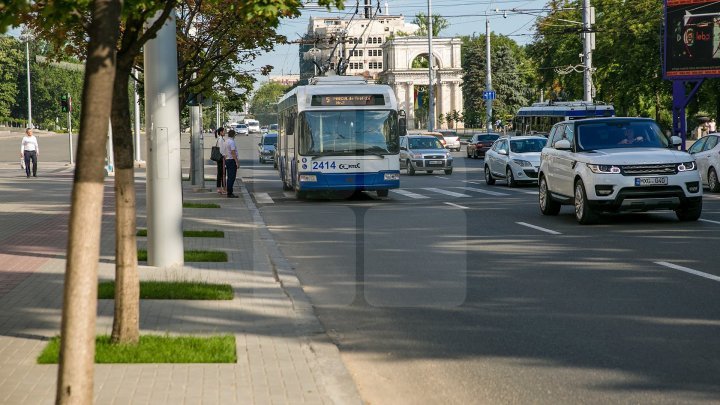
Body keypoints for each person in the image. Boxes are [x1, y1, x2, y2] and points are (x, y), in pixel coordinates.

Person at [225, 130, 240, 198]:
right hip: (231, 160)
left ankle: (229, 191)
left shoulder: (226, 141)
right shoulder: (232, 142)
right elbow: (233, 152)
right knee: (232, 177)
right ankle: (230, 192)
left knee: (229, 177)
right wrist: (237, 162)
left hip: (227, 160)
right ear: (233, 135)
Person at [215, 127, 227, 194]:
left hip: (218, 158)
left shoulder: (218, 139)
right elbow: (222, 150)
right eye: (224, 131)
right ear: (220, 132)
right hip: (221, 158)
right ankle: (223, 189)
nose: (224, 132)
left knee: (219, 173)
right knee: (223, 173)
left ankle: (219, 188)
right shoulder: (221, 140)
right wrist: (225, 157)